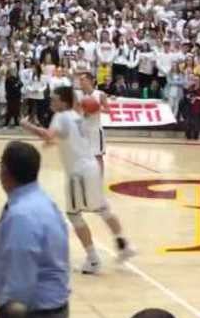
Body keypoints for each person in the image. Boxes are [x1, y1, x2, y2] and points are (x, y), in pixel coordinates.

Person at [21, 86, 135, 274]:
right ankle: (124, 245)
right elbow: (64, 137)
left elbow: (49, 135)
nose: (51, 101)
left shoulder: (61, 117)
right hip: (91, 167)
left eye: (54, 98)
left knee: (74, 214)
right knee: (103, 210)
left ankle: (92, 260)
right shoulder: (75, 116)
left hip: (78, 173)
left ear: (64, 102)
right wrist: (53, 142)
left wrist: (28, 126)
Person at [0, 141, 69, 318]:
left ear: (5, 171)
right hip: (44, 312)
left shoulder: (23, 215)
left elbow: (21, 276)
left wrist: (4, 316)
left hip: (30, 317)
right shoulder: (40, 201)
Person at [77, 72, 108, 172]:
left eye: (83, 79)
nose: (80, 82)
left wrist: (96, 109)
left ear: (90, 81)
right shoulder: (79, 96)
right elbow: (78, 113)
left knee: (98, 157)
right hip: (84, 130)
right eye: (80, 80)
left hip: (95, 130)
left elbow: (108, 110)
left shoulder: (100, 94)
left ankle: (99, 182)